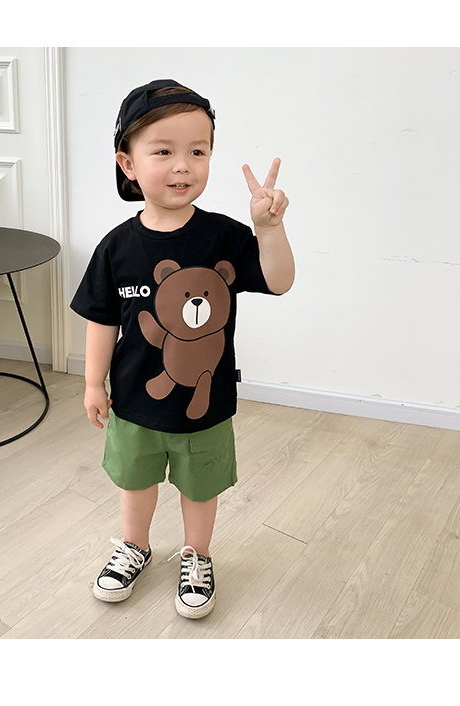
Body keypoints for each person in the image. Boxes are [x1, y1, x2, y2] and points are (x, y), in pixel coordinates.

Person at [70, 78, 294, 620]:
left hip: (205, 404)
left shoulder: (224, 237)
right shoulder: (116, 247)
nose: (182, 166)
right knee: (136, 481)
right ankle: (135, 546)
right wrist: (93, 382)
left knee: (200, 486)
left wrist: (269, 229)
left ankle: (197, 554)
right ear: (128, 164)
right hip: (134, 401)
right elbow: (102, 319)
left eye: (198, 151)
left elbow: (280, 280)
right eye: (163, 151)